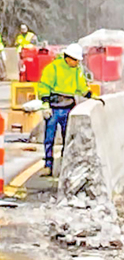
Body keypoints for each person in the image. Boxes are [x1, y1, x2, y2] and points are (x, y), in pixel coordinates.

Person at [35, 43, 94, 176]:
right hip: (54, 108)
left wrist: (88, 94)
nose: (77, 63)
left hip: (68, 107)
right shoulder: (53, 68)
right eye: (76, 60)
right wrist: (45, 104)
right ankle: (48, 165)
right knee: (49, 138)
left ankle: (65, 166)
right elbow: (44, 86)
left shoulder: (76, 70)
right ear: (68, 58)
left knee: (68, 139)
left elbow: (80, 86)